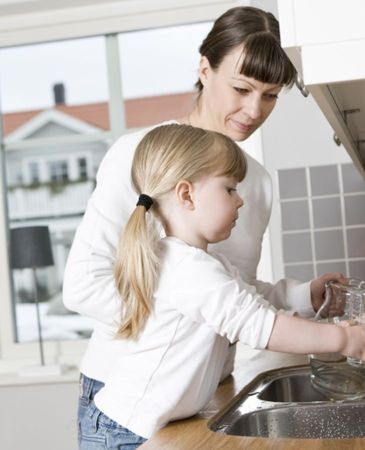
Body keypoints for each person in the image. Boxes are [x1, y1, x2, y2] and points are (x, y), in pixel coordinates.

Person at [63, 5, 346, 446]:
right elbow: (83, 284)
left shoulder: (257, 181)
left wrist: (297, 296)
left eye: (270, 95)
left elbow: (231, 289)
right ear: (204, 68)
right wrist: (179, 324)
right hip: (128, 395)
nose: (253, 110)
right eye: (241, 87)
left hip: (205, 392)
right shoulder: (139, 154)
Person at [79, 124, 365, 447]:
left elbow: (250, 300)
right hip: (123, 434)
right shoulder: (188, 269)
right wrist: (342, 338)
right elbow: (257, 325)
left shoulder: (201, 263)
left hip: (141, 426)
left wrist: (309, 296)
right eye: (229, 189)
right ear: (187, 195)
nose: (240, 200)